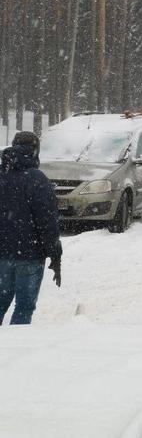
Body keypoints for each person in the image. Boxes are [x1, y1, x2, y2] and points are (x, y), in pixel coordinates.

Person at [0, 131, 62, 325]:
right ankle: (17, 348)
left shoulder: (2, 176)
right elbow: (48, 222)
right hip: (30, 254)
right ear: (35, 151)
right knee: (24, 307)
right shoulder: (38, 180)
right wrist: (55, 254)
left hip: (2, 254)